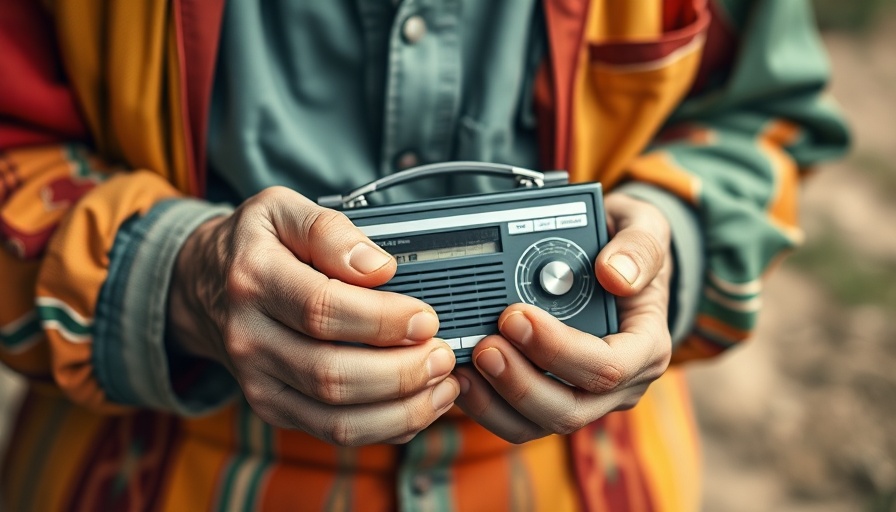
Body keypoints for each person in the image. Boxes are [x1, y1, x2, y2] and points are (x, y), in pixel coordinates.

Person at [0, 0, 848, 510]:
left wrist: (666, 247)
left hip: (585, 471)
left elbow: (763, 117)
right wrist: (178, 277)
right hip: (156, 465)